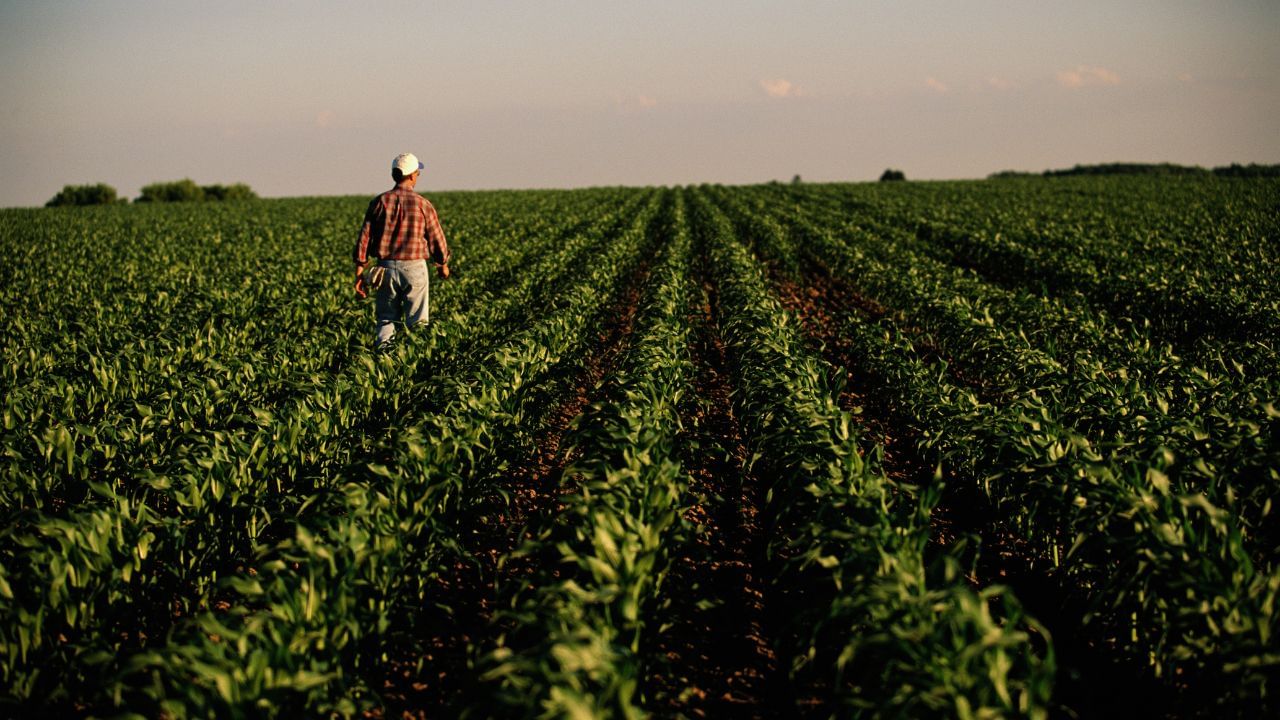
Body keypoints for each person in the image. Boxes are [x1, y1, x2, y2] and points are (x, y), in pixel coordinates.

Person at [353, 152, 451, 350]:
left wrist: (359, 273)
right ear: (413, 175)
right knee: (417, 323)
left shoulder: (379, 202)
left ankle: (383, 361)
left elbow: (364, 238)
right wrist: (442, 264)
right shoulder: (423, 204)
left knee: (386, 320)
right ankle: (414, 363)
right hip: (415, 268)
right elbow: (436, 238)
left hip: (385, 269)